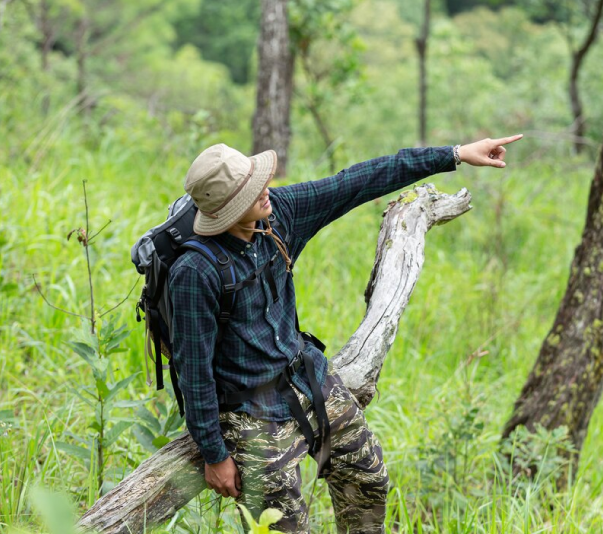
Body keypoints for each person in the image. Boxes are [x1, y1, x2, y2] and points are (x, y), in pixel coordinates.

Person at [169, 135, 523, 534]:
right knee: (283, 528)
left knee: (368, 479)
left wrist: (454, 155)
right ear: (228, 209)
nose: (265, 189)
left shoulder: (278, 213)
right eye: (252, 190)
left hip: (306, 379)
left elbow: (356, 181)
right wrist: (215, 454)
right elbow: (193, 371)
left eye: (260, 180)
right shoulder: (194, 274)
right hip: (247, 412)